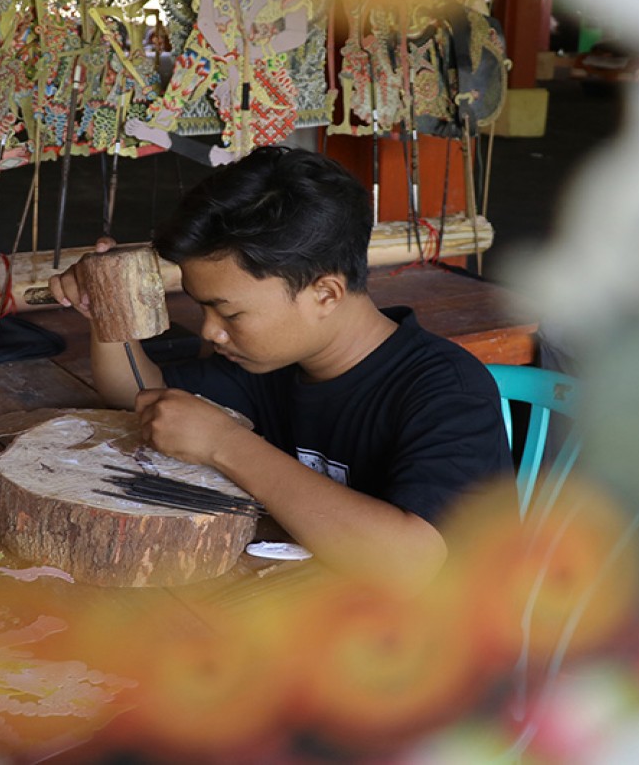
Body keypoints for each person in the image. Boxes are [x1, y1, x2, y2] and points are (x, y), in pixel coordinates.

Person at [48, 146, 512, 586]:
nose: (210, 332)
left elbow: (409, 562)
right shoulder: (268, 361)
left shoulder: (448, 392)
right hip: (312, 603)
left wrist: (226, 444)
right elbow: (140, 399)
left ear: (325, 294)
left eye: (229, 314)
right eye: (202, 309)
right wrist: (105, 310)